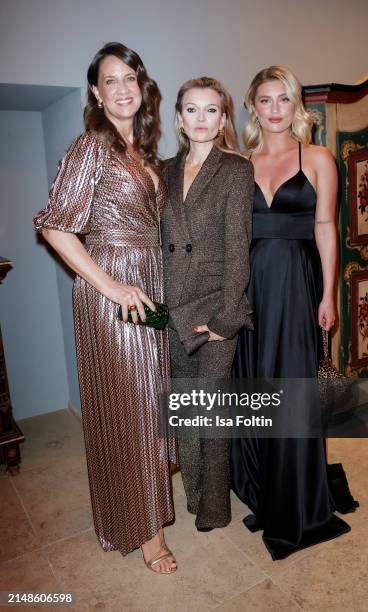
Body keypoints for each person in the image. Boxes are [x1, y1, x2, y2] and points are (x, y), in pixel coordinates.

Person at [33, 43, 177, 574]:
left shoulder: (138, 149)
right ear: (96, 92)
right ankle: (148, 536)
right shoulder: (90, 147)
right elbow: (53, 227)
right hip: (115, 293)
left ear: (142, 86)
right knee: (137, 411)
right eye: (110, 80)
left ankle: (129, 513)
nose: (122, 88)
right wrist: (112, 287)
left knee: (142, 408)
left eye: (130, 78)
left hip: (148, 285)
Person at [231, 65, 353, 560]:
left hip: (298, 284)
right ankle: (264, 487)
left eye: (284, 99)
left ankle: (298, 503)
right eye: (266, 100)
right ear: (253, 107)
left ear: (295, 105)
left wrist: (329, 295)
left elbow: (326, 228)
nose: (276, 109)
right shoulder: (240, 163)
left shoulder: (319, 157)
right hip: (250, 288)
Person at [161, 77, 254, 531]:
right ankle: (194, 495)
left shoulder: (236, 170)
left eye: (211, 110)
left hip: (216, 309)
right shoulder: (161, 171)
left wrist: (225, 319)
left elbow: (240, 251)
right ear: (179, 118)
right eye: (192, 110)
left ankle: (215, 509)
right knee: (185, 412)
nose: (201, 119)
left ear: (223, 120)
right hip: (173, 311)